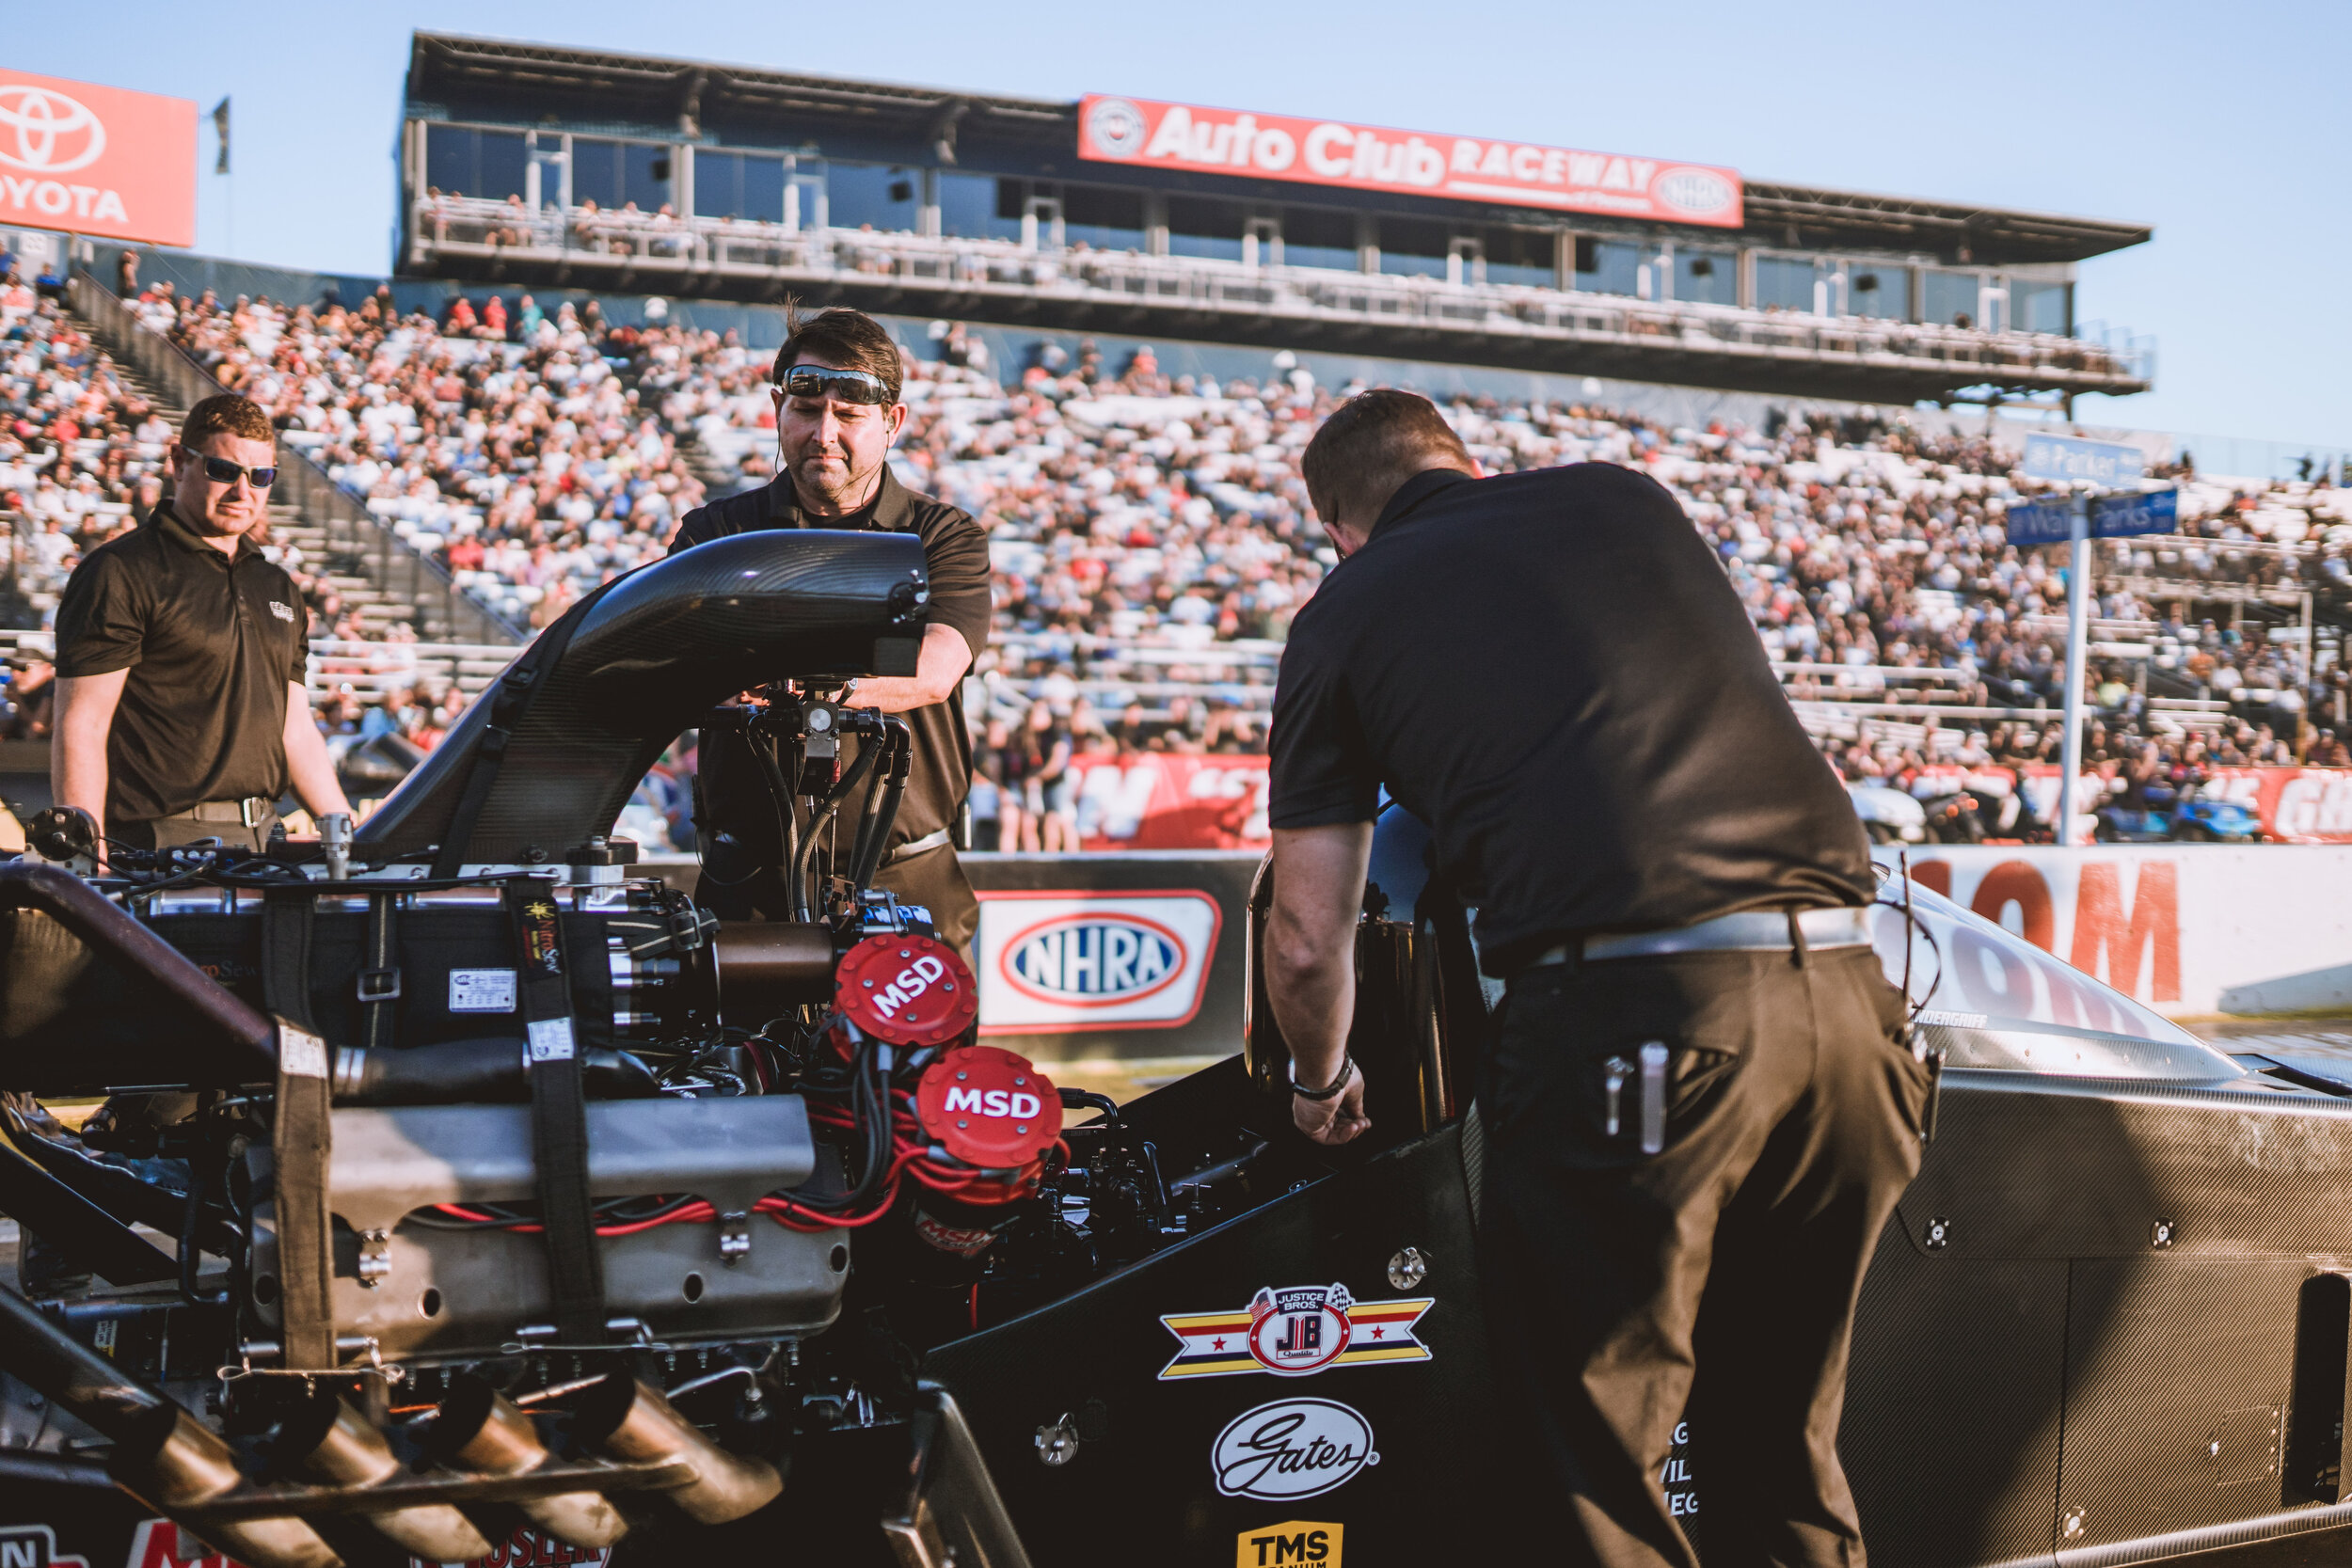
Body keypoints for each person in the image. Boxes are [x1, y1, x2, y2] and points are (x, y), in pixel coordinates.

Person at [1262, 389, 1927, 1568]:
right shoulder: (1626, 497)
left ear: (1338, 530)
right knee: (1785, 1448)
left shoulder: (1343, 607)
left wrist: (1320, 1081)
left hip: (1642, 1018)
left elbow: (1309, 936)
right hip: (1851, 995)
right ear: (1462, 460)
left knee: (1596, 1473)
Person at [668, 306, 990, 953]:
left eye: (849, 415)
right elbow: (680, 666)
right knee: (734, 1058)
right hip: (750, 883)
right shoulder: (716, 534)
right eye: (808, 411)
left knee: (924, 1060)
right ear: (777, 408)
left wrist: (780, 679)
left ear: (892, 422)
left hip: (909, 881)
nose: (824, 434)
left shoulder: (944, 536)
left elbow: (934, 670)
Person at [52, 394, 354, 850]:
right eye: (224, 471)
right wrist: (85, 856)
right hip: (158, 844)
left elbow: (294, 726)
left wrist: (347, 831)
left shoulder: (278, 587)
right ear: (179, 461)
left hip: (266, 838)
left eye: (261, 477)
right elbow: (82, 724)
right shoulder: (121, 570)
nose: (242, 491)